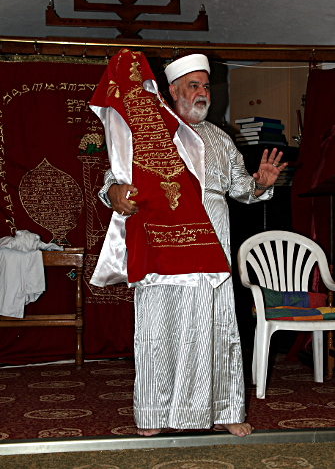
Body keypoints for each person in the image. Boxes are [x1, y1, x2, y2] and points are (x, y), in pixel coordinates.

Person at [94, 52, 287, 438]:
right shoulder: (146, 133)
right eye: (193, 86)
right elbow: (111, 181)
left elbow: (242, 191)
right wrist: (114, 192)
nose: (202, 93)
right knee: (158, 331)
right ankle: (152, 414)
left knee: (218, 332)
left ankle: (226, 410)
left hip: (211, 256)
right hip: (162, 255)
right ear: (172, 92)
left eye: (205, 86)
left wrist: (261, 184)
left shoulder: (219, 138)